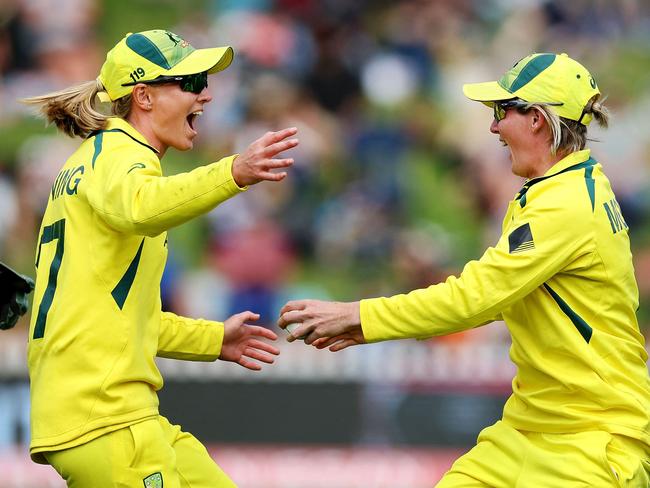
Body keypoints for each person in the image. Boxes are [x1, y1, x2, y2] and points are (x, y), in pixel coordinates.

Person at [278, 53, 650, 487]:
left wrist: (360, 315)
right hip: (527, 430)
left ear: (537, 120)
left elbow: (476, 296)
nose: (493, 127)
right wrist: (370, 326)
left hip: (591, 439)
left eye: (501, 111)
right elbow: (497, 296)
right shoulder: (558, 188)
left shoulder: (564, 204)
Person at [22, 29, 298, 487]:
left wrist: (214, 340)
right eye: (191, 82)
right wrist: (235, 171)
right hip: (106, 420)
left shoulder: (100, 158)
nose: (206, 93)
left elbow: (125, 315)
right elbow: (142, 207)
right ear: (144, 96)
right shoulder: (121, 157)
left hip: (122, 417)